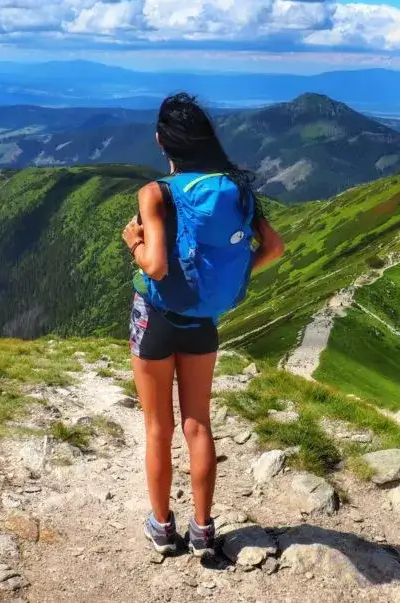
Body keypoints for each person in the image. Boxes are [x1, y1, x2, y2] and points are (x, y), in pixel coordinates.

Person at [121, 92, 285, 558]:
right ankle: (203, 530)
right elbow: (273, 247)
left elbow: (153, 266)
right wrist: (232, 279)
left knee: (158, 427)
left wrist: (131, 240)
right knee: (198, 425)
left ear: (161, 141)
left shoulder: (156, 193)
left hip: (155, 318)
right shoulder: (235, 189)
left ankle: (160, 525)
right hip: (203, 322)